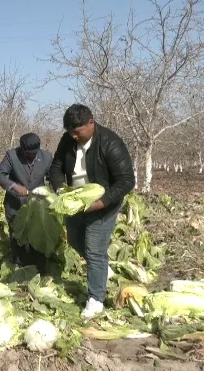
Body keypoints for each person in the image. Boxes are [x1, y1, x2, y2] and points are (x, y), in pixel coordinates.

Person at [48, 104, 135, 319]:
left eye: (77, 131)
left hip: (102, 204)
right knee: (75, 241)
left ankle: (96, 299)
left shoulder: (110, 143)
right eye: (69, 131)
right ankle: (103, 270)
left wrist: (100, 202)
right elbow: (57, 166)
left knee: (94, 250)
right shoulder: (68, 140)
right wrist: (60, 189)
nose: (73, 136)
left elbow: (126, 181)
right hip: (76, 201)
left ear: (91, 123)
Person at [0, 132, 53, 271]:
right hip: (15, 204)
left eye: (33, 154)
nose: (30, 157)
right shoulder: (11, 156)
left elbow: (52, 177)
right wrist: (14, 186)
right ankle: (19, 267)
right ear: (21, 149)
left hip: (37, 205)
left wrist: (51, 193)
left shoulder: (47, 157)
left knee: (38, 236)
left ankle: (39, 269)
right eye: (27, 154)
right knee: (17, 237)